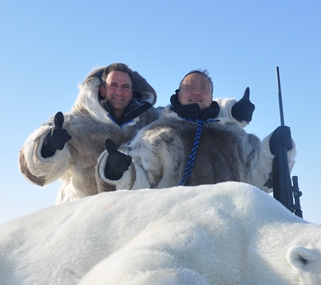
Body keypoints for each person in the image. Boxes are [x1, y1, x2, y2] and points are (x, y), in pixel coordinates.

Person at [95, 69, 295, 193]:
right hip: (176, 230)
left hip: (235, 229)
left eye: (204, 88)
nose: (197, 92)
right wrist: (118, 171)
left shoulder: (237, 136)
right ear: (178, 95)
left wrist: (273, 150)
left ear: (212, 97)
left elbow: (258, 182)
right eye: (190, 87)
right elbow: (140, 185)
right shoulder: (156, 135)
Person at [19, 63, 160, 203]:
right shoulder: (74, 123)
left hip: (128, 210)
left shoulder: (147, 124)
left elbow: (155, 171)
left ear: (131, 94)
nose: (119, 92)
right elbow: (35, 173)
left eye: (125, 87)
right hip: (79, 210)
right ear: (103, 90)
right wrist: (46, 148)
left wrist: (121, 175)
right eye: (113, 85)